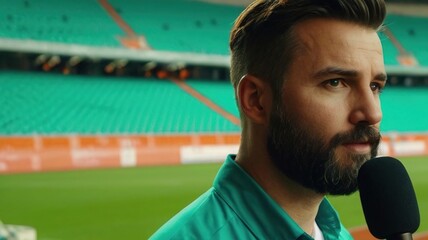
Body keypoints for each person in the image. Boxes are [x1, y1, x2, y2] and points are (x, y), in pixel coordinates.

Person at [151, 0, 387, 239]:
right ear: (256, 100)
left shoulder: (337, 235)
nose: (373, 114)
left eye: (375, 86)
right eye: (335, 82)